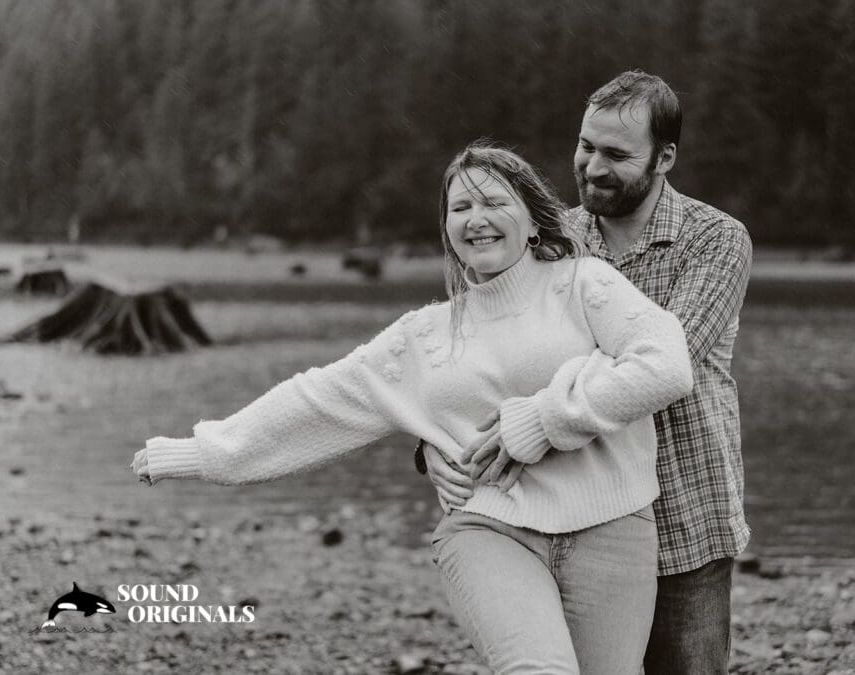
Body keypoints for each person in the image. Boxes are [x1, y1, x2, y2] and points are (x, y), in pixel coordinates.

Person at [131, 143, 695, 674]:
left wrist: (543, 420)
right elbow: (318, 400)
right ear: (447, 229)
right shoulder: (425, 335)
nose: (477, 218)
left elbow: (667, 365)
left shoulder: (584, 284)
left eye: (495, 203)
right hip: (489, 527)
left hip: (612, 527)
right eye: (461, 207)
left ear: (533, 221)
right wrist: (204, 454)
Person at [422, 71, 753, 674]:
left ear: (664, 158)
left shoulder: (716, 240)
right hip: (572, 520)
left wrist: (535, 414)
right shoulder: (553, 238)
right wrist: (433, 441)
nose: (593, 167)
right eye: (585, 146)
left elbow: (662, 364)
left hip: (685, 520)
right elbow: (482, 353)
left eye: (617, 155)